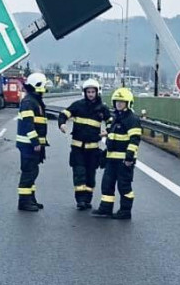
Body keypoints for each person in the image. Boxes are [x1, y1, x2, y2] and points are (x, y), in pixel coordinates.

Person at [57, 79, 110, 210]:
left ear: (97, 92)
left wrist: (107, 131)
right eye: (88, 92)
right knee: (79, 173)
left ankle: (87, 199)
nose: (90, 94)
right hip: (77, 148)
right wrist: (62, 124)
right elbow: (64, 114)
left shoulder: (102, 108)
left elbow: (111, 121)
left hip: (93, 150)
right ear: (84, 93)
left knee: (90, 176)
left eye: (93, 92)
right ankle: (80, 200)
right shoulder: (77, 105)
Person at [92, 87, 142, 220]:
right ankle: (105, 209)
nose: (119, 104)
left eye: (122, 102)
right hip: (111, 159)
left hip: (124, 161)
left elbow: (134, 139)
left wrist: (129, 157)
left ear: (128, 103)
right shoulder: (117, 118)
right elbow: (114, 135)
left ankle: (125, 211)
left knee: (124, 186)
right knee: (107, 184)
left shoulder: (132, 119)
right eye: (117, 102)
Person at [15, 72, 49, 212]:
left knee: (33, 172)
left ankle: (31, 198)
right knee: (29, 172)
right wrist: (35, 142)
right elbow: (29, 124)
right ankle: (24, 202)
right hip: (29, 145)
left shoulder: (34, 101)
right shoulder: (29, 102)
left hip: (32, 145)